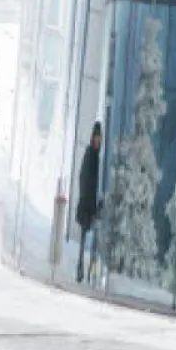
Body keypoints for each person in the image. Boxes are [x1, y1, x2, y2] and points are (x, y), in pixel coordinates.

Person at [75, 121, 103, 282]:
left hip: (92, 204)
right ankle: (80, 270)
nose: (97, 141)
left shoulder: (97, 155)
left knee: (91, 241)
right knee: (84, 238)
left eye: (99, 138)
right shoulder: (90, 154)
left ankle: (90, 272)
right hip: (87, 203)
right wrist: (85, 201)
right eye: (96, 137)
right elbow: (84, 177)